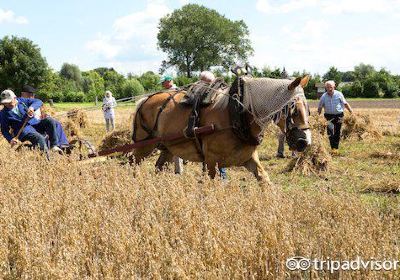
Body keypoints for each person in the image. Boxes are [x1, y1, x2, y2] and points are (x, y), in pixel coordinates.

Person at [199, 71, 228, 179]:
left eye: (210, 83)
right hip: (206, 131)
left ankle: (221, 176)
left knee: (218, 154)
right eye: (207, 83)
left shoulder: (219, 95)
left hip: (217, 131)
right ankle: (208, 174)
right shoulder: (200, 96)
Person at [318, 80, 353, 153]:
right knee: (330, 131)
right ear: (325, 88)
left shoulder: (339, 94)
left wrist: (351, 112)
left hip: (339, 116)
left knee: (337, 131)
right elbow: (320, 107)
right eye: (327, 87)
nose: (329, 89)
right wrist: (317, 117)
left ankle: (335, 148)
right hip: (328, 116)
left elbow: (345, 103)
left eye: (331, 87)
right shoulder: (323, 96)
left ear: (334, 86)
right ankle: (332, 146)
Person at [160, 75, 183, 174]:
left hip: (175, 123)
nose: (162, 84)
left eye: (163, 82)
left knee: (176, 147)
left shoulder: (175, 92)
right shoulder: (167, 92)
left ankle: (178, 171)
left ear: (169, 81)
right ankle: (163, 166)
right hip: (169, 123)